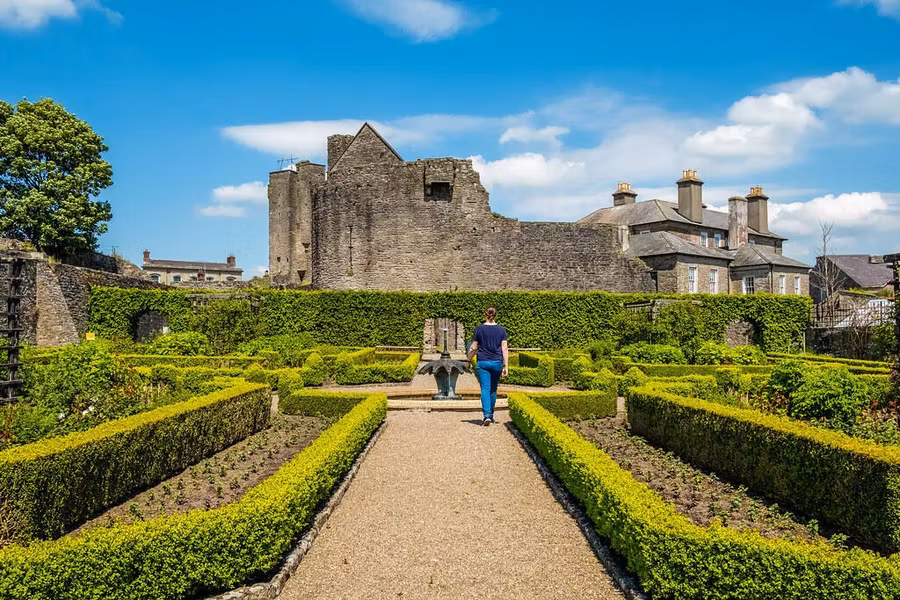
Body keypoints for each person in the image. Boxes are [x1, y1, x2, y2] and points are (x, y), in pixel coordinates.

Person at [467, 306, 508, 426]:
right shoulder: (501, 330)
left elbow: (473, 347)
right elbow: (504, 348)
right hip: (497, 362)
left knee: (485, 388)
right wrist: (506, 366)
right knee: (493, 389)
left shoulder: (479, 329)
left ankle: (487, 416)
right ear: (495, 315)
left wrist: (468, 360)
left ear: (485, 314)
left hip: (483, 362)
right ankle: (491, 415)